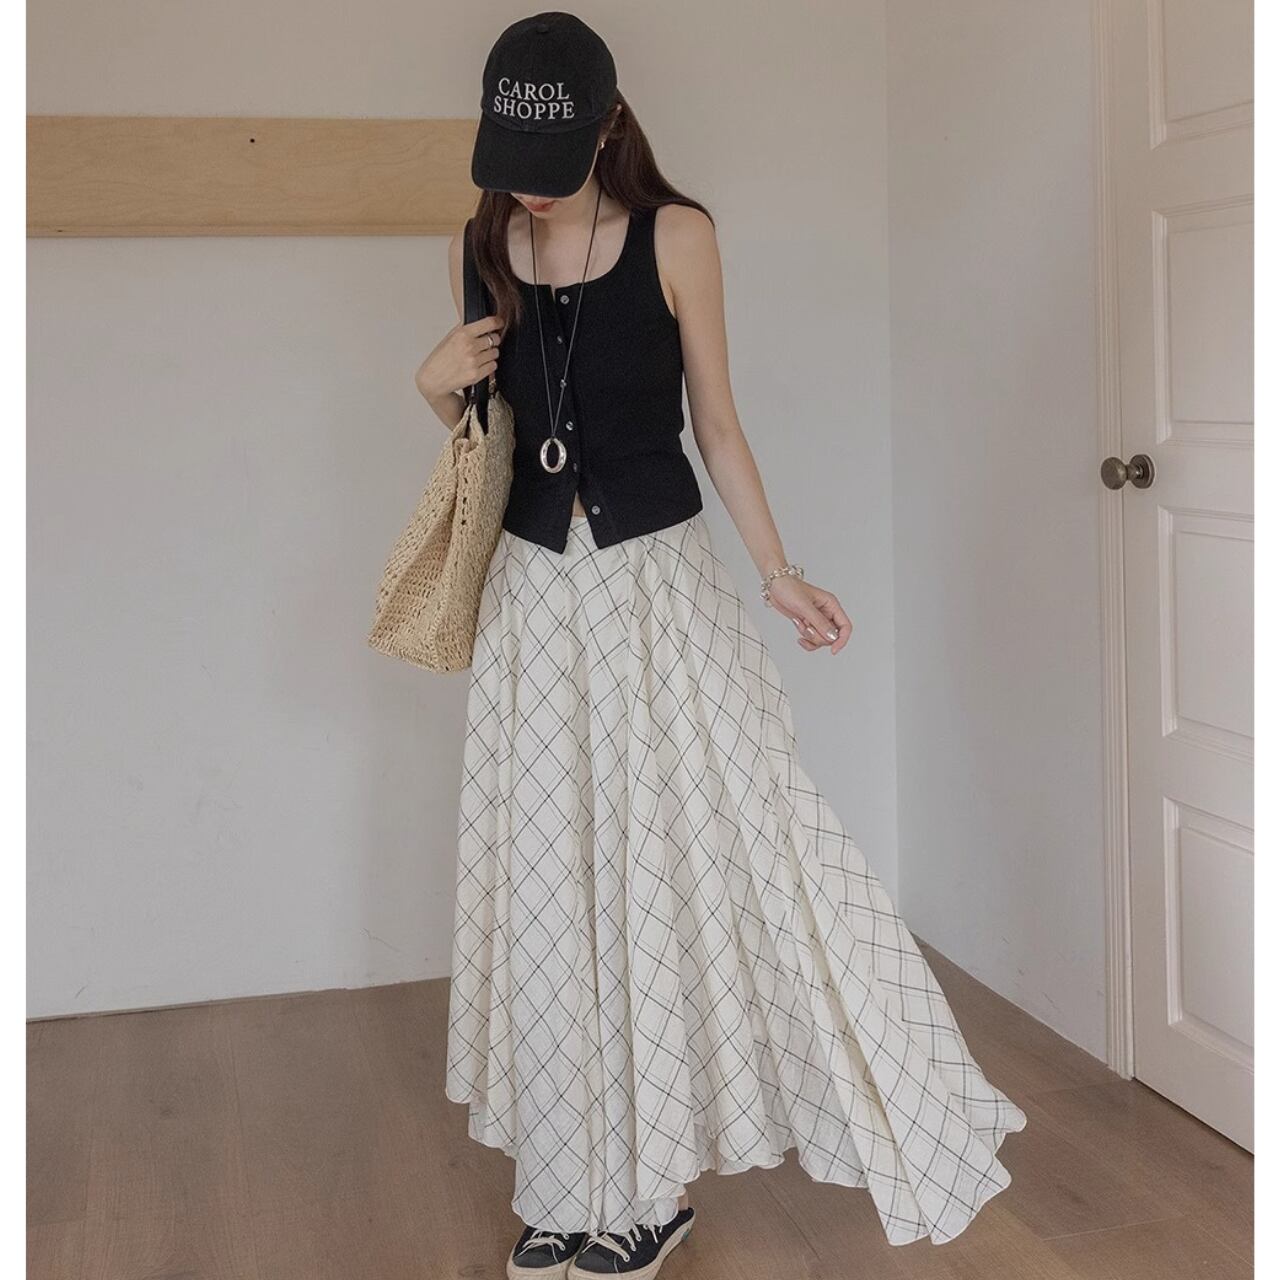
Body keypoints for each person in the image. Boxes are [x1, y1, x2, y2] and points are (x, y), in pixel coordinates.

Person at [412, 13, 1026, 1279]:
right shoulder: (482, 244)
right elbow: (488, 442)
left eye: (548, 158)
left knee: (672, 871)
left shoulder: (677, 235)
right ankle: (567, 1183)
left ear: (607, 125)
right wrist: (433, 388)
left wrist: (778, 570)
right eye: (511, 159)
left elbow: (718, 424)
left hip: (654, 591)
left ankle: (650, 1190)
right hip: (533, 602)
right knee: (548, 883)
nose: (527, 184)